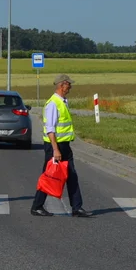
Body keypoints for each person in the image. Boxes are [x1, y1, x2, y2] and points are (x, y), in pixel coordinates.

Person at [30, 74, 90, 218]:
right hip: (54, 146)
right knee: (49, 175)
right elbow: (50, 128)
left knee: (72, 176)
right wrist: (55, 149)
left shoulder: (62, 101)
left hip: (64, 145)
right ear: (62, 85)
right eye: (69, 84)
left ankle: (77, 208)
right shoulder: (53, 103)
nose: (71, 86)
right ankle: (37, 206)